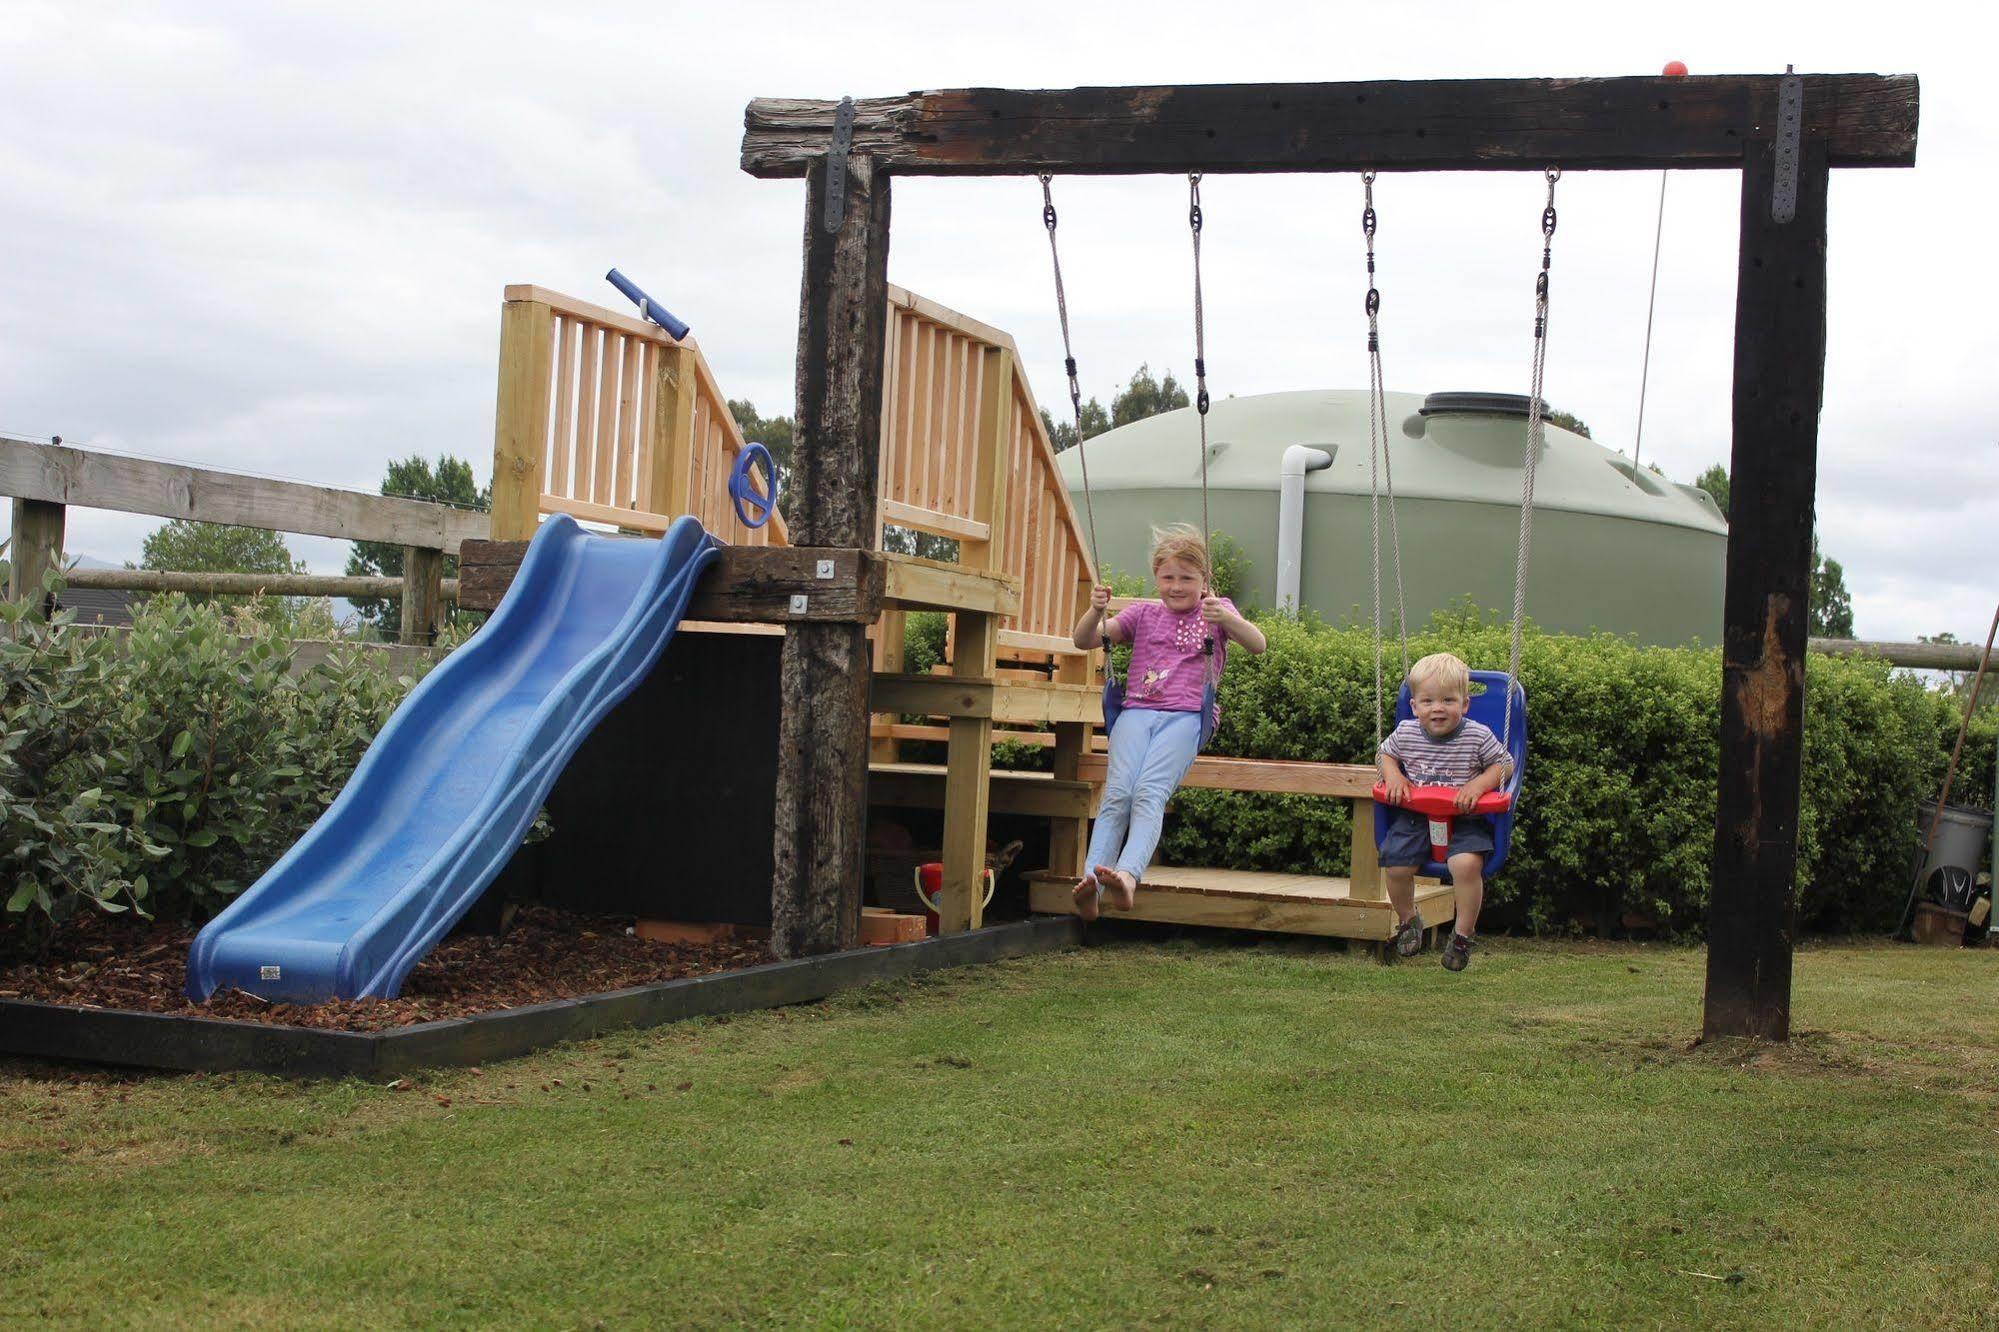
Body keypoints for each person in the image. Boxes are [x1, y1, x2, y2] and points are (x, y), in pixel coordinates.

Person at [1069, 524, 1266, 921]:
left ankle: (1126, 877)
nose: (1177, 586)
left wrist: (1226, 618)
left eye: (1187, 578)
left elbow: (1258, 644)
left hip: (1187, 716)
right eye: (1168, 577)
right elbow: (1084, 640)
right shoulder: (1142, 614)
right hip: (1136, 712)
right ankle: (1091, 883)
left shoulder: (1216, 609)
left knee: (1148, 792)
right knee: (1118, 793)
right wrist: (1094, 610)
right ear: (1156, 577)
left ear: (1204, 580)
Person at [1375, 651, 1510, 971]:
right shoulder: (1406, 733)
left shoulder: (1477, 735)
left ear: (1464, 704)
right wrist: (1393, 775)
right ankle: (1409, 921)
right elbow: (1384, 755)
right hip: (1416, 817)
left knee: (1464, 866)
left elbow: (1505, 764)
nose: (1438, 708)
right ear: (1415, 707)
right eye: (1428, 701)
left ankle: (1462, 935)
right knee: (1394, 865)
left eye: (1448, 700)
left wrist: (1477, 786)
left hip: (1465, 818)